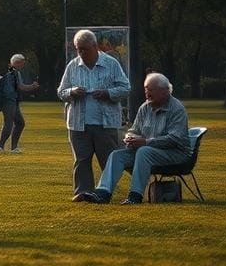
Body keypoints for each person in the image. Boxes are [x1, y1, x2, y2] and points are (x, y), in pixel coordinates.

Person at [76, 72, 190, 205]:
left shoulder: (177, 109)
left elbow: (174, 139)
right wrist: (129, 138)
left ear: (164, 90)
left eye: (150, 90)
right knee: (116, 155)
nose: (147, 93)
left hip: (175, 153)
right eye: (145, 89)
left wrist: (145, 142)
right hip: (149, 151)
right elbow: (134, 130)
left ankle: (135, 196)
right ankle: (103, 193)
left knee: (144, 151)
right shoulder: (145, 107)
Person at [58, 29, 131, 198]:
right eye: (78, 49)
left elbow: (126, 88)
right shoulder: (73, 66)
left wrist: (107, 93)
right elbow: (61, 92)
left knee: (108, 160)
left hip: (105, 123)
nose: (81, 52)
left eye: (84, 48)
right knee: (81, 160)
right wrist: (72, 92)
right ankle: (83, 192)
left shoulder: (111, 63)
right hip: (78, 123)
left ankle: (105, 192)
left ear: (95, 46)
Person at [0, 53, 40, 153]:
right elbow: (21, 87)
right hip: (10, 101)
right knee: (10, 122)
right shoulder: (14, 73)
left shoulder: (8, 72)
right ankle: (1, 145)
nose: (23, 66)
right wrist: (32, 86)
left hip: (9, 101)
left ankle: (12, 147)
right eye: (22, 64)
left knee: (19, 123)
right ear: (16, 62)